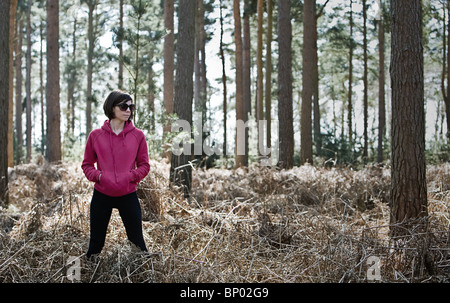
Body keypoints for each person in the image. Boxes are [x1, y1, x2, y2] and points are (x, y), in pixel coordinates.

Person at [81, 90, 150, 259]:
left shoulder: (138, 136)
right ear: (112, 108)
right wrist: (99, 177)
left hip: (128, 195)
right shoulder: (95, 136)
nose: (128, 110)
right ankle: (89, 275)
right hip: (102, 195)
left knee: (138, 244)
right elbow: (87, 165)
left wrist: (130, 177)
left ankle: (145, 275)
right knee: (95, 246)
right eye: (123, 106)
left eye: (131, 106)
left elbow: (144, 165)